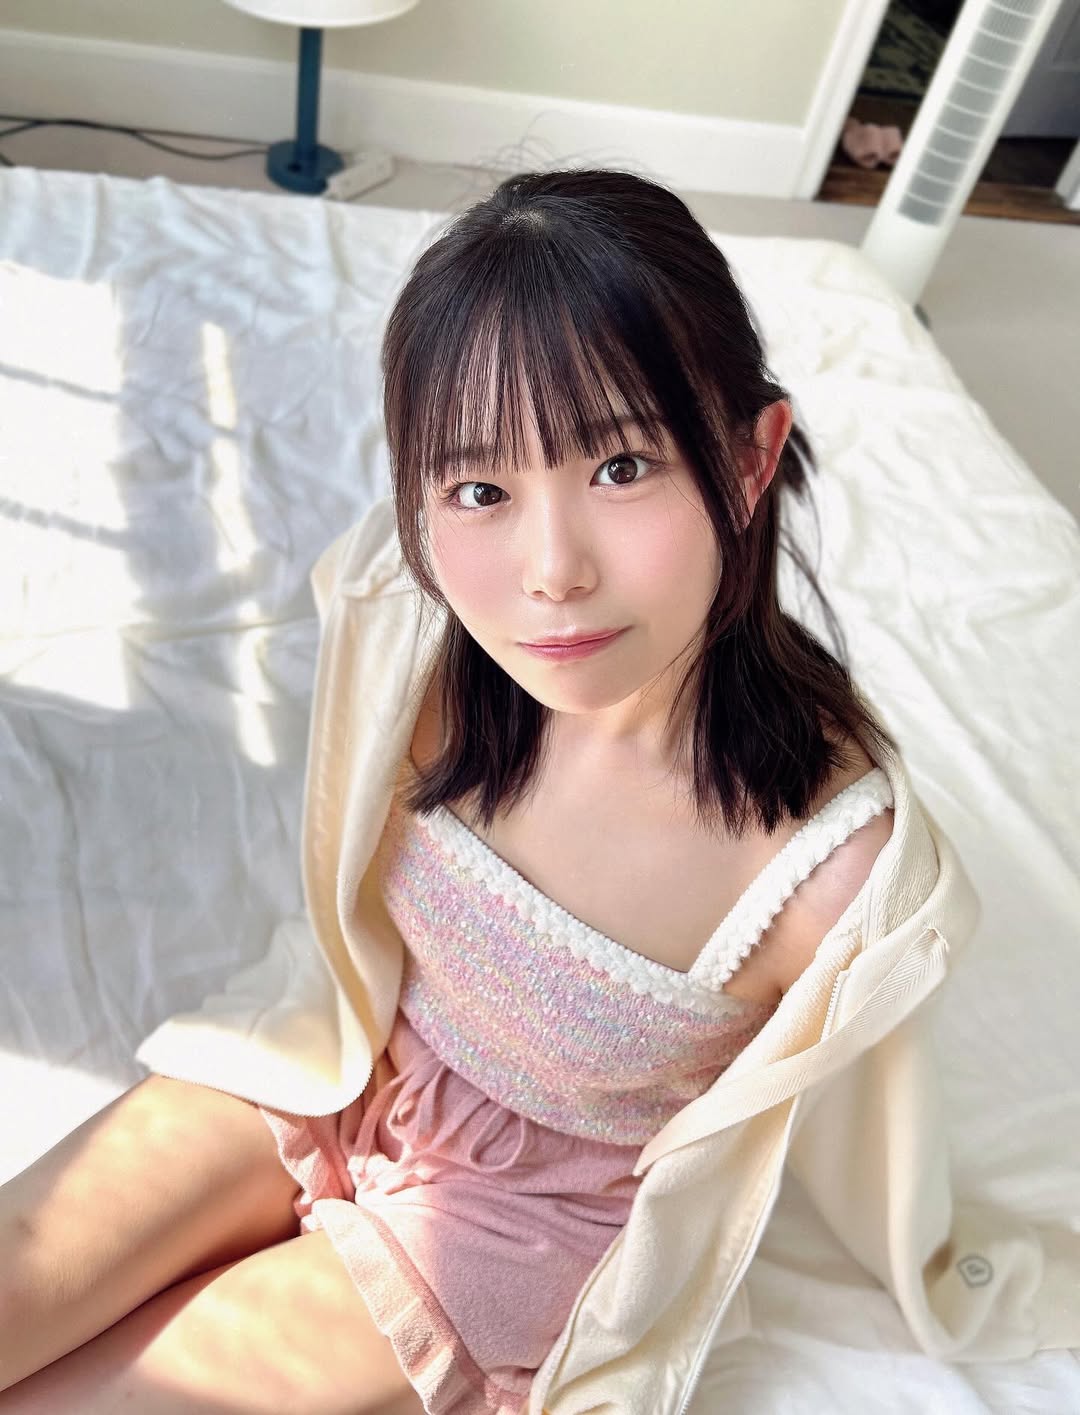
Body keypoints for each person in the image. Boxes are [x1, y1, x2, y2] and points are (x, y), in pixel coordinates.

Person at [0, 167, 1026, 1414]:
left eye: (623, 465)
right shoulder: (416, 627)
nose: (550, 571)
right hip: (335, 1045)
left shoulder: (829, 868)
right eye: (482, 490)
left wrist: (961, 1268)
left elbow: (870, 1144)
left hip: (516, 1223)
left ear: (751, 460)